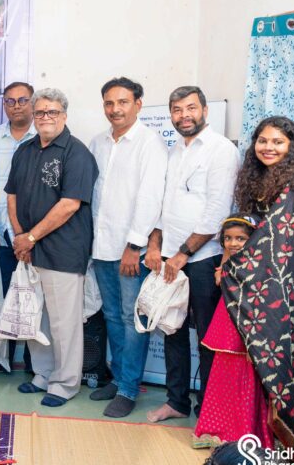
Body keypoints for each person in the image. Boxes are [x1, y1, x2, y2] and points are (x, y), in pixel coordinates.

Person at [224, 117, 294, 462]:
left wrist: (235, 266)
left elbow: (281, 238)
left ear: (293, 145)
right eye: (263, 141)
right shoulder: (261, 179)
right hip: (270, 284)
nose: (268, 147)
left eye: (278, 142)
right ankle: (262, 444)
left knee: (289, 363)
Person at [146, 86, 239, 423]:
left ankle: (208, 410)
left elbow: (217, 212)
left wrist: (183, 254)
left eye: (190, 108)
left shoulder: (222, 150)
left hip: (202, 259)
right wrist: (156, 245)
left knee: (206, 338)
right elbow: (163, 206)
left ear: (204, 111)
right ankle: (176, 402)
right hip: (170, 257)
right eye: (177, 109)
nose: (184, 115)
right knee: (172, 329)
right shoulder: (174, 152)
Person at [6, 88, 97, 407]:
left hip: (63, 251)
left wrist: (30, 237)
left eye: (52, 112)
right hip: (28, 250)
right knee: (35, 317)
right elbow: (12, 195)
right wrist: (21, 237)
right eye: (40, 112)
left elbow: (69, 204)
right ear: (34, 116)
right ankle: (43, 374)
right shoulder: (25, 150)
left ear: (64, 115)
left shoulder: (77, 153)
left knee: (63, 322)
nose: (46, 117)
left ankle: (65, 383)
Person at [87, 78, 167, 418]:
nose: (115, 109)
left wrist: (135, 245)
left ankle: (129, 389)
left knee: (132, 320)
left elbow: (150, 197)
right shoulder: (98, 142)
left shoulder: (150, 143)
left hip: (130, 250)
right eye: (109, 103)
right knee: (110, 316)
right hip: (101, 246)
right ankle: (118, 378)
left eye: (122, 102)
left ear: (138, 104)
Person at [192, 213, 271, 449]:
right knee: (221, 378)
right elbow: (221, 278)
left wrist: (254, 341)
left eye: (240, 238)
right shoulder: (230, 263)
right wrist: (223, 267)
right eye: (228, 238)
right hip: (226, 323)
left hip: (246, 327)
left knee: (244, 382)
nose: (233, 243)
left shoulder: (260, 266)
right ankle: (215, 431)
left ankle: (240, 436)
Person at [0, 81, 36, 377]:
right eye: (10, 101)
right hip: (2, 232)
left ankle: (33, 361)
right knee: (3, 297)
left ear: (33, 102)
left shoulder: (42, 134)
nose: (16, 106)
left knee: (33, 297)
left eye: (22, 100)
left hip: (36, 234)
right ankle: (0, 357)